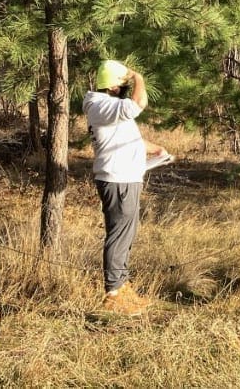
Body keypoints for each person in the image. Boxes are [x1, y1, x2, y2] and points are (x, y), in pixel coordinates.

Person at [83, 59, 164, 315]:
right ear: (114, 84)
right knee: (119, 234)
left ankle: (122, 286)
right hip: (117, 179)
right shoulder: (100, 104)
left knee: (126, 233)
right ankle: (114, 293)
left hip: (126, 177)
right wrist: (138, 76)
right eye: (123, 83)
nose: (126, 88)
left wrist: (154, 149)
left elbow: (128, 136)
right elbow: (139, 104)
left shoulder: (108, 107)